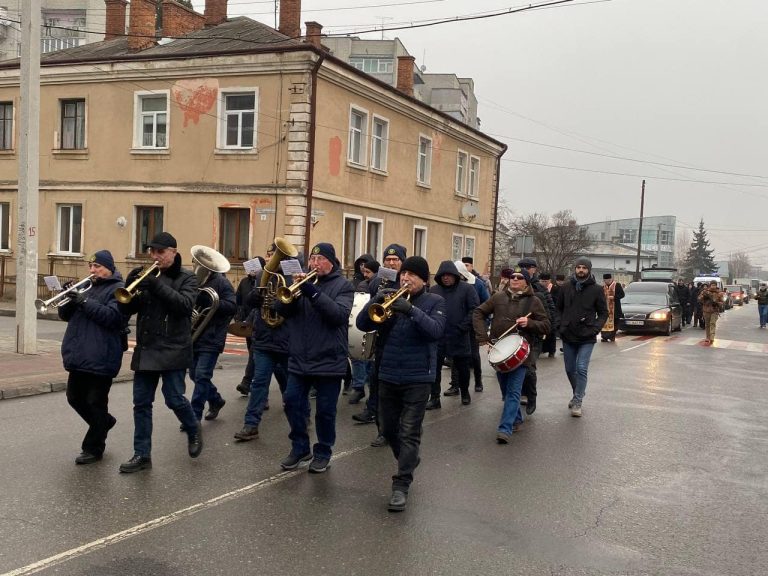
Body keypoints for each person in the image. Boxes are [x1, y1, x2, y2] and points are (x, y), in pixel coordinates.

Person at [356, 256, 446, 512]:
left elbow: (435, 331)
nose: (405, 278)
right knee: (388, 428)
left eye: (412, 275)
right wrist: (375, 301)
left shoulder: (435, 301)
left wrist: (411, 310)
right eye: (403, 274)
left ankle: (401, 484)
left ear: (424, 280)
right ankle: (409, 458)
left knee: (409, 432)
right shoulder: (390, 298)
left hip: (418, 377)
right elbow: (362, 324)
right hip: (387, 373)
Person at [117, 232, 202, 473]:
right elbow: (126, 310)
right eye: (152, 252)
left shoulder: (187, 277)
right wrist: (129, 291)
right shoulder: (146, 276)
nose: (155, 256)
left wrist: (155, 286)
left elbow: (185, 306)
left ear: (173, 252)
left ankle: (193, 427)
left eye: (160, 252)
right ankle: (142, 454)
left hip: (173, 348)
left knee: (174, 398)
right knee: (141, 403)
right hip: (147, 348)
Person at [276, 243, 354, 473]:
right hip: (300, 357)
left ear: (331, 262)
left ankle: (323, 451)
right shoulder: (303, 284)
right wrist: (292, 293)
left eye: (320, 259)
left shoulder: (344, 286)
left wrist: (311, 291)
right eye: (312, 259)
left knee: (325, 411)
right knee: (291, 402)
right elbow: (281, 309)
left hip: (329, 359)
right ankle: (300, 447)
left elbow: (337, 315)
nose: (314, 263)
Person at [59, 250, 126, 465]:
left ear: (109, 268)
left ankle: (93, 448)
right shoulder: (87, 288)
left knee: (95, 403)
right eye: (90, 266)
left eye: (97, 266)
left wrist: (84, 301)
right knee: (74, 398)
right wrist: (68, 297)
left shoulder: (119, 289)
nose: (92, 270)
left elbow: (113, 317)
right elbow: (64, 316)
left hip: (102, 355)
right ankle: (104, 422)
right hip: (79, 354)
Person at [473, 265, 549, 443]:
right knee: (506, 392)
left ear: (526, 282)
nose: (515, 279)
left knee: (514, 392)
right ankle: (516, 419)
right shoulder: (498, 297)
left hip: (521, 354)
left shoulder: (534, 301)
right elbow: (478, 312)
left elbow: (546, 325)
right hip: (499, 352)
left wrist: (529, 323)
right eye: (513, 276)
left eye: (519, 277)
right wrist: (482, 337)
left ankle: (504, 429)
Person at [233, 263, 292, 442]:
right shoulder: (262, 275)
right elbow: (250, 301)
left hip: (286, 341)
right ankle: (251, 425)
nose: (270, 258)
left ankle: (302, 416)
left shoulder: (291, 276)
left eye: (273, 254)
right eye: (269, 254)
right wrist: (256, 295)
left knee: (291, 385)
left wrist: (278, 305)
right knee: (258, 383)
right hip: (264, 340)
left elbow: (297, 306)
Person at [354, 244, 407, 444]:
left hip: (402, 344)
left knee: (398, 392)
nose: (391, 263)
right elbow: (368, 309)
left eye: (395, 260)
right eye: (388, 260)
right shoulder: (377, 281)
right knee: (378, 386)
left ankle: (402, 429)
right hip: (382, 341)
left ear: (402, 262)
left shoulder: (408, 280)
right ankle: (382, 431)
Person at [555, 257, 608, 418]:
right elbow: (558, 309)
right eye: (579, 267)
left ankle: (578, 401)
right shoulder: (565, 287)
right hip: (568, 334)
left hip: (587, 336)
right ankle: (577, 392)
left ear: (589, 270)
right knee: (570, 369)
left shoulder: (596, 289)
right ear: (575, 269)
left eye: (584, 268)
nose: (581, 270)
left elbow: (603, 313)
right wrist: (560, 326)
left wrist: (595, 329)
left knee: (581, 368)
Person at [189, 253, 237, 422]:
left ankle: (194, 416)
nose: (196, 265)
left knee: (202, 375)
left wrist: (211, 302)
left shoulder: (222, 282)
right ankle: (216, 400)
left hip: (212, 336)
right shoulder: (192, 280)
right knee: (194, 375)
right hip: (194, 335)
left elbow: (232, 306)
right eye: (195, 262)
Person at [428, 260, 479, 408]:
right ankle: (435, 397)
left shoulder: (467, 289)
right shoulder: (434, 290)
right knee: (434, 369)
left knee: (463, 369)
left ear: (455, 275)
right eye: (443, 275)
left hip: (459, 335)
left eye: (449, 275)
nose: (446, 278)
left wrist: (463, 327)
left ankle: (465, 393)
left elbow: (474, 309)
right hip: (438, 336)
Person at [517, 257, 558, 416]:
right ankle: (517, 394)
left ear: (533, 269)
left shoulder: (540, 290)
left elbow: (549, 312)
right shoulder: (511, 287)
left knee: (529, 369)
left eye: (527, 267)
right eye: (521, 267)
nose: (524, 270)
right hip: (516, 336)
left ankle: (531, 396)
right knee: (515, 368)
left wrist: (548, 331)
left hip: (533, 336)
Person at [234, 256, 266, 396]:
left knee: (255, 354)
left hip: (259, 323)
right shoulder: (244, 282)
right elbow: (238, 300)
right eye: (250, 265)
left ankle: (247, 383)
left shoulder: (263, 281)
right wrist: (238, 317)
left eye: (255, 266)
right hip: (247, 324)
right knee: (253, 354)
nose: (252, 269)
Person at [600, 273, 625, 342]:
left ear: (611, 279)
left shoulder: (617, 285)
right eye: (605, 280)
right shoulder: (602, 287)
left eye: (608, 280)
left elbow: (622, 295)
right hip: (605, 309)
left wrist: (614, 297)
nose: (607, 282)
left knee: (614, 323)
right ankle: (604, 337)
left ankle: (612, 336)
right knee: (604, 323)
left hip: (615, 309)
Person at [539, 273, 558, 358]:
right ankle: (542, 349)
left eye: (545, 281)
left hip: (552, 311)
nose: (543, 283)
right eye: (542, 281)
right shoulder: (538, 288)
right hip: (541, 312)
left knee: (551, 333)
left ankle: (551, 351)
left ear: (549, 281)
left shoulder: (554, 288)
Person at [698, 280, 724, 344]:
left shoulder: (719, 293)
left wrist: (717, 304)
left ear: (716, 286)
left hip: (714, 311)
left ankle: (712, 338)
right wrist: (704, 297)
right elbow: (699, 299)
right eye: (712, 285)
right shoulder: (705, 292)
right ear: (710, 285)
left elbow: (722, 302)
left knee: (712, 323)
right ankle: (707, 337)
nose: (713, 286)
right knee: (707, 324)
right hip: (706, 310)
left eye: (714, 285)